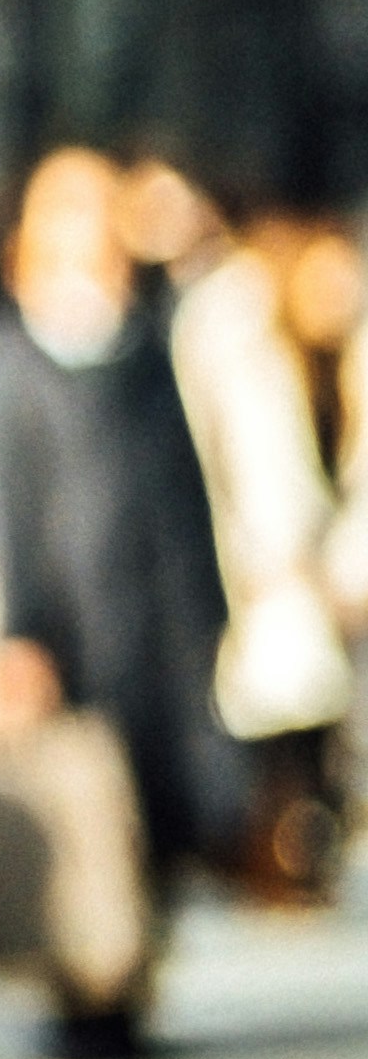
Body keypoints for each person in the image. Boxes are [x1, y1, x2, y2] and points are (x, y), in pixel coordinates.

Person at [0, 149, 241, 1055]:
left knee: (155, 805)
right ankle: (82, 992)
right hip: (55, 623)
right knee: (75, 815)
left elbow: (186, 488)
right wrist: (10, 633)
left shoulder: (145, 347)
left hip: (156, 624)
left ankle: (134, 980)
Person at [174, 217, 362, 898]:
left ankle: (311, 841)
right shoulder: (242, 343)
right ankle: (272, 848)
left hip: (332, 577)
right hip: (263, 570)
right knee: (275, 712)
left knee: (320, 712)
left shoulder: (349, 357)